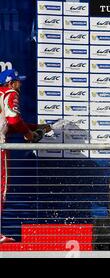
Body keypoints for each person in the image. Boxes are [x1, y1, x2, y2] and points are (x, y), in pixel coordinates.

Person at [0, 69, 51, 243]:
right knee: (0, 189)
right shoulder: (10, 93)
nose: (20, 84)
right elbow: (13, 119)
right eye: (17, 81)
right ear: (10, 83)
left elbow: (11, 123)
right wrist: (29, 134)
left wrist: (36, 127)